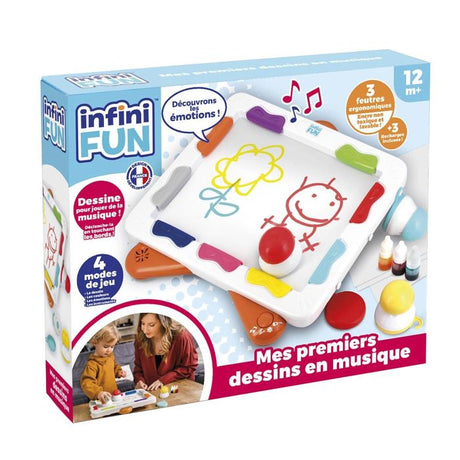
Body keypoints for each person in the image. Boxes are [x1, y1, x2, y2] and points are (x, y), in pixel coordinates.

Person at [134, 313, 198, 391]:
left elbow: (189, 367)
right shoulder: (140, 340)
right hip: (153, 391)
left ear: (163, 323)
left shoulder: (182, 336)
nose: (145, 330)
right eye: (143, 324)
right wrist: (139, 380)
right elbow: (138, 369)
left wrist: (164, 380)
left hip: (179, 388)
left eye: (151, 325)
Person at [80, 323, 127, 402]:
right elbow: (86, 382)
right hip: (100, 399)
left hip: (113, 395)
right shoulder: (92, 364)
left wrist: (119, 372)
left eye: (112, 346)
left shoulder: (110, 356)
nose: (109, 350)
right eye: (106, 346)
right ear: (95, 342)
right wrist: (98, 393)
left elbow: (114, 366)